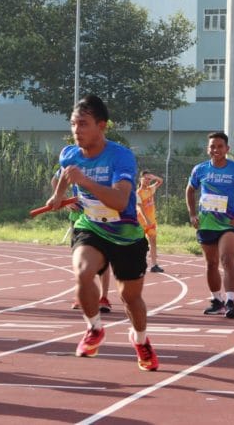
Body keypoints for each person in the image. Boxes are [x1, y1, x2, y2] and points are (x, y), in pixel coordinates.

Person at [43, 95, 158, 371]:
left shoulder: (121, 156)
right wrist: (57, 196)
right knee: (82, 272)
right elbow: (63, 177)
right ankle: (94, 328)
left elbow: (119, 201)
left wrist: (86, 181)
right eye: (73, 124)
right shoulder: (69, 153)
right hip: (91, 226)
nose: (76, 131)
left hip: (126, 233)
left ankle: (140, 340)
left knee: (130, 297)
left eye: (83, 124)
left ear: (102, 126)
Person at [186, 132, 234, 319]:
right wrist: (192, 214)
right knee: (211, 263)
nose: (216, 150)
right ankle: (216, 301)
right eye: (213, 146)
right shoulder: (200, 169)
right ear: (208, 149)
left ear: (227, 149)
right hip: (206, 224)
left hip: (228, 224)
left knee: (227, 259)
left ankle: (231, 302)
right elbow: (190, 190)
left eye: (220, 146)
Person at [136, 170, 165, 273]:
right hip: (141, 222)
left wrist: (153, 177)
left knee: (153, 241)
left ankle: (154, 265)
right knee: (139, 243)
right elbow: (140, 208)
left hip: (151, 222)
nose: (148, 181)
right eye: (146, 178)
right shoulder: (138, 193)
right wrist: (147, 220)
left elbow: (160, 181)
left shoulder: (150, 189)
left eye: (149, 179)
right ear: (141, 179)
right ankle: (137, 264)